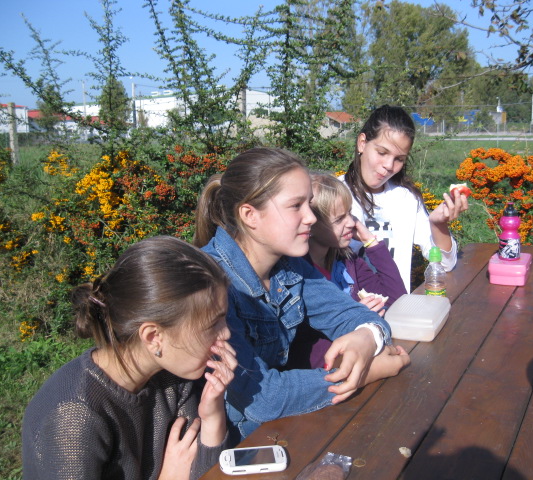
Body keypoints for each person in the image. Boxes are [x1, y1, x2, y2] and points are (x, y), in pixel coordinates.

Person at [194, 147, 405, 442]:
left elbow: (352, 315)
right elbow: (262, 397)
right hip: (234, 447)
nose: (310, 218)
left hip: (282, 430)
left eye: (310, 204)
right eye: (296, 206)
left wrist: (368, 336)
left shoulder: (289, 267)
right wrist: (363, 372)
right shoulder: (209, 285)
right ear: (249, 215)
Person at [22, 236, 237, 480]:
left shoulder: (173, 376)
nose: (226, 333)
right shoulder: (74, 417)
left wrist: (212, 417)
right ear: (154, 336)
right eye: (212, 324)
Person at [341, 105, 469, 292]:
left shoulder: (406, 199)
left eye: (399, 159)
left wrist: (438, 225)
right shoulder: (334, 196)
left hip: (397, 306)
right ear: (362, 143)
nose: (388, 165)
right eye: (382, 153)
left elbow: (444, 264)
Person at [290, 172, 409, 368]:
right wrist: (357, 319)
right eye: (339, 219)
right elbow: (306, 347)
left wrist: (370, 242)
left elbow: (397, 300)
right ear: (311, 223)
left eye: (349, 213)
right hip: (327, 372)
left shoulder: (346, 262)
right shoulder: (299, 274)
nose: (352, 223)